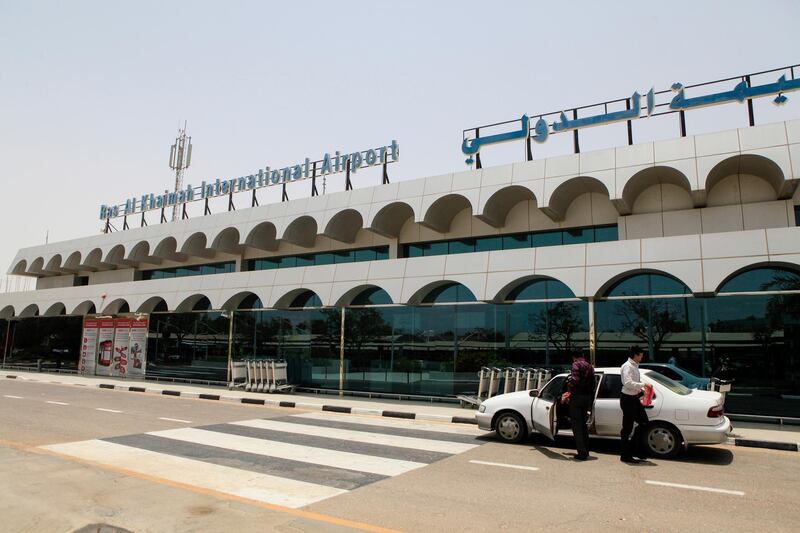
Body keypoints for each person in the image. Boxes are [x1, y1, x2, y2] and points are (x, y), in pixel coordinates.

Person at [620, 346, 652, 463]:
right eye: (641, 355)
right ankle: (625, 455)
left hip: (633, 398)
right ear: (635, 355)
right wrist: (642, 385)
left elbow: (632, 383)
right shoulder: (627, 366)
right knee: (627, 428)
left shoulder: (634, 366)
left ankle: (634, 449)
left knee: (644, 423)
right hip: (627, 399)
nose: (642, 357)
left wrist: (640, 390)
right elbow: (627, 383)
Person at [566, 352, 595, 461]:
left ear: (574, 357)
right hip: (586, 398)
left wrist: (569, 384)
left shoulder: (576, 365)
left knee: (577, 426)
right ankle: (586, 451)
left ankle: (581, 453)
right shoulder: (589, 366)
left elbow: (575, 380)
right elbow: (593, 384)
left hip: (577, 397)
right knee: (583, 425)